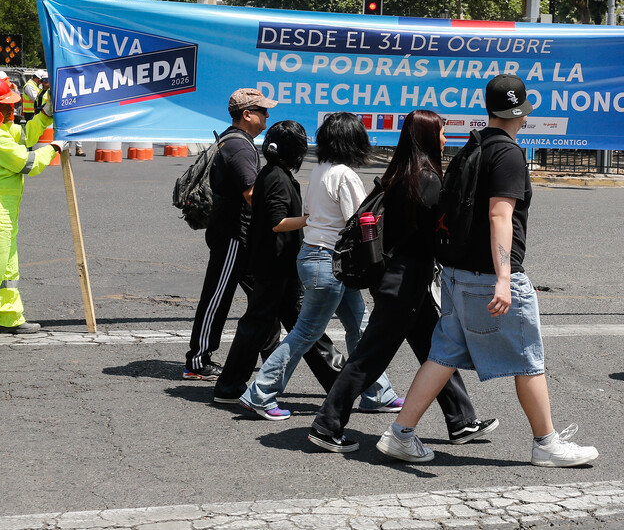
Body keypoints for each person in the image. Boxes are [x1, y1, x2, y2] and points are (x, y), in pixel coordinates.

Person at [376, 75, 599, 467]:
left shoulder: (472, 147)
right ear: (522, 113)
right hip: (489, 276)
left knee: (442, 355)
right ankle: (546, 443)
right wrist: (503, 278)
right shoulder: (509, 154)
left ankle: (400, 434)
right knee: (528, 359)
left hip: (458, 273)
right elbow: (500, 214)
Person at [308, 110, 497, 452]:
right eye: (440, 132)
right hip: (403, 283)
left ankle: (460, 420)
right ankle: (327, 424)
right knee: (370, 357)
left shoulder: (403, 173)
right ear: (427, 136)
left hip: (403, 279)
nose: (444, 138)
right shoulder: (425, 179)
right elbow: (437, 235)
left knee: (438, 350)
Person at [239, 112, 400, 419]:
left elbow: (315, 214)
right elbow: (361, 222)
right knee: (306, 332)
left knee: (358, 327)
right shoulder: (345, 175)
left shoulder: (320, 170)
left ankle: (377, 393)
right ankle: (259, 393)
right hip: (331, 262)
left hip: (318, 258)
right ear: (353, 141)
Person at [211, 119, 347, 405]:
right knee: (266, 324)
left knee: (301, 324)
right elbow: (277, 222)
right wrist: (315, 220)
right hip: (274, 264)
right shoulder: (277, 177)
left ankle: (339, 383)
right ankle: (229, 386)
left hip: (276, 262)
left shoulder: (273, 173)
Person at [0, 75, 63, 338]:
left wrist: (45, 114)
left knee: (8, 268)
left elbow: (26, 134)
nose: (12, 109)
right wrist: (55, 147)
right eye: (5, 105)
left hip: (0, 208)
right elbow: (29, 163)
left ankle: (9, 316)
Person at [184, 88, 275, 380]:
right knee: (217, 296)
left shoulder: (235, 140)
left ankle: (272, 354)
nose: (267, 116)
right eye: (262, 111)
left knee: (267, 295)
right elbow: (251, 193)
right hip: (234, 234)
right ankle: (197, 360)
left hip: (238, 233)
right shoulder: (240, 146)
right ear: (247, 115)